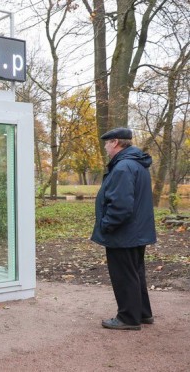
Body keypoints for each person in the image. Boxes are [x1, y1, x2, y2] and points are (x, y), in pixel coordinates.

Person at [91, 127, 156, 330]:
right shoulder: (136, 164)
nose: (105, 148)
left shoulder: (123, 167)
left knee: (124, 275)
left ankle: (128, 318)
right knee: (135, 272)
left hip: (123, 233)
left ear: (116, 142)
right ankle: (142, 313)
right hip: (136, 231)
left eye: (107, 144)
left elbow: (121, 205)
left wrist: (107, 225)